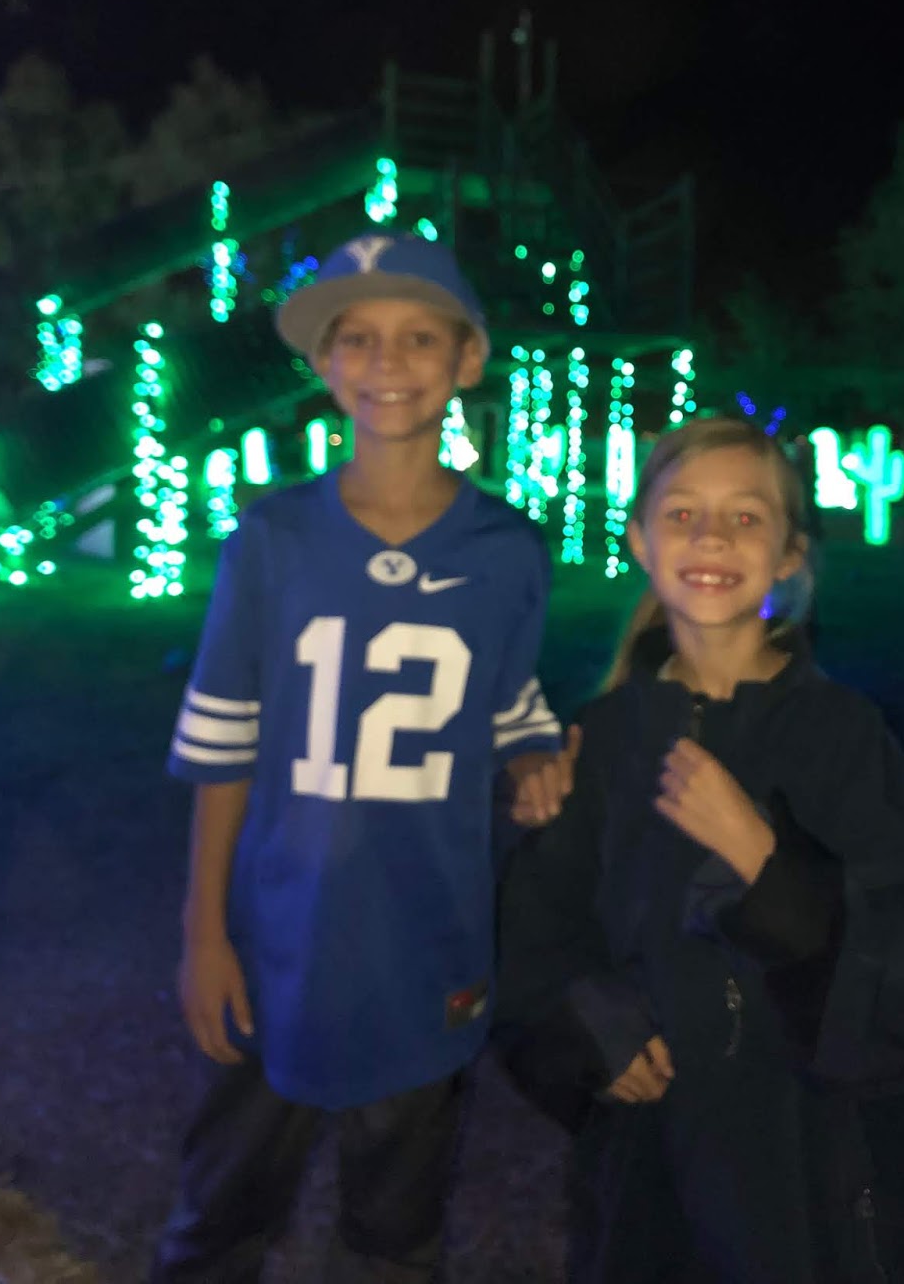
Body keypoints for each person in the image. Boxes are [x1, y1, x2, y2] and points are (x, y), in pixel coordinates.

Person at [150, 232, 570, 1283]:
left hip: (426, 938)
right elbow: (224, 742)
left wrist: (531, 755)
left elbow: (505, 697)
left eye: (420, 337)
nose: (389, 362)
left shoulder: (509, 551)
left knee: (393, 1231)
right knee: (221, 1211)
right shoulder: (271, 539)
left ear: (468, 359)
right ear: (324, 363)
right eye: (360, 338)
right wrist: (205, 930)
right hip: (276, 939)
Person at [494, 416, 904, 1284]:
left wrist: (766, 866)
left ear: (790, 555)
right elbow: (538, 931)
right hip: (659, 1162)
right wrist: (592, 1029)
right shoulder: (603, 741)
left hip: (819, 1168)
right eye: (682, 514)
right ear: (640, 540)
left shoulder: (842, 736)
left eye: (746, 517)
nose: (712, 537)